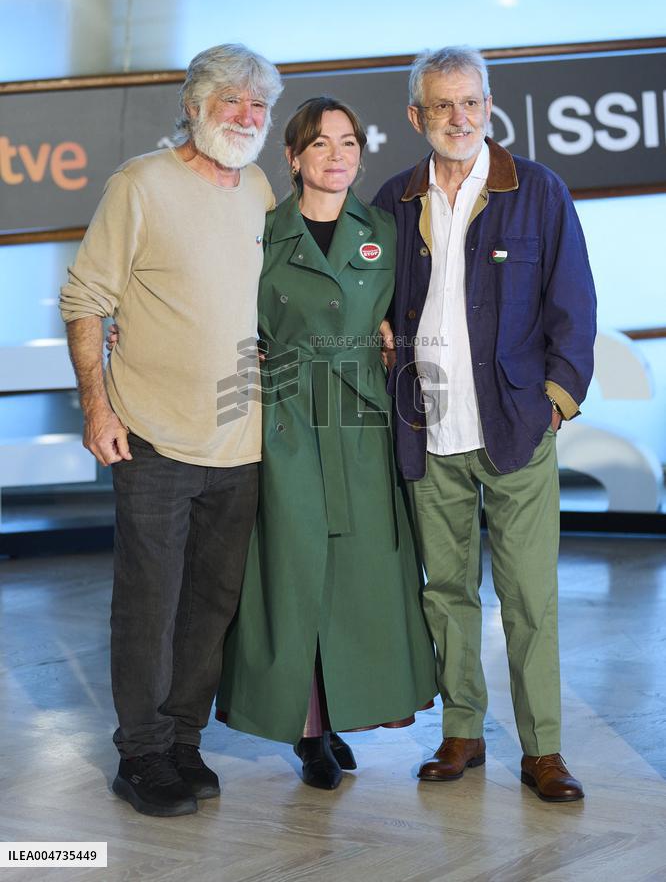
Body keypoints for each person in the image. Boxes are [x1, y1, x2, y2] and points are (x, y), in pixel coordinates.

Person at [59, 44, 283, 817]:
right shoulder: (141, 184)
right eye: (231, 101)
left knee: (212, 605)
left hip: (241, 439)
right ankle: (142, 754)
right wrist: (96, 407)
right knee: (149, 604)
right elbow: (86, 299)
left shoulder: (260, 188)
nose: (247, 117)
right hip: (151, 436)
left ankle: (184, 741)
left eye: (258, 105)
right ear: (193, 107)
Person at [373, 46, 596, 802]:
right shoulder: (395, 199)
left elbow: (574, 304)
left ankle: (544, 750)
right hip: (427, 430)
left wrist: (556, 401)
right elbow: (372, 298)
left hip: (516, 427)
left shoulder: (537, 189)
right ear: (417, 116)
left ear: (489, 107)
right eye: (442, 105)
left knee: (530, 598)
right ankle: (462, 731)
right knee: (446, 592)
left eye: (470, 102)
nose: (459, 117)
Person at [216, 97, 437, 790]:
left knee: (355, 576)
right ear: (292, 158)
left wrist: (395, 346)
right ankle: (308, 732)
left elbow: (413, 309)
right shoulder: (259, 232)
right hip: (284, 413)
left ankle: (339, 715)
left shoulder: (387, 228)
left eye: (347, 142)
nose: (336, 156)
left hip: (362, 420)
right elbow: (221, 312)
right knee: (295, 569)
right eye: (320, 143)